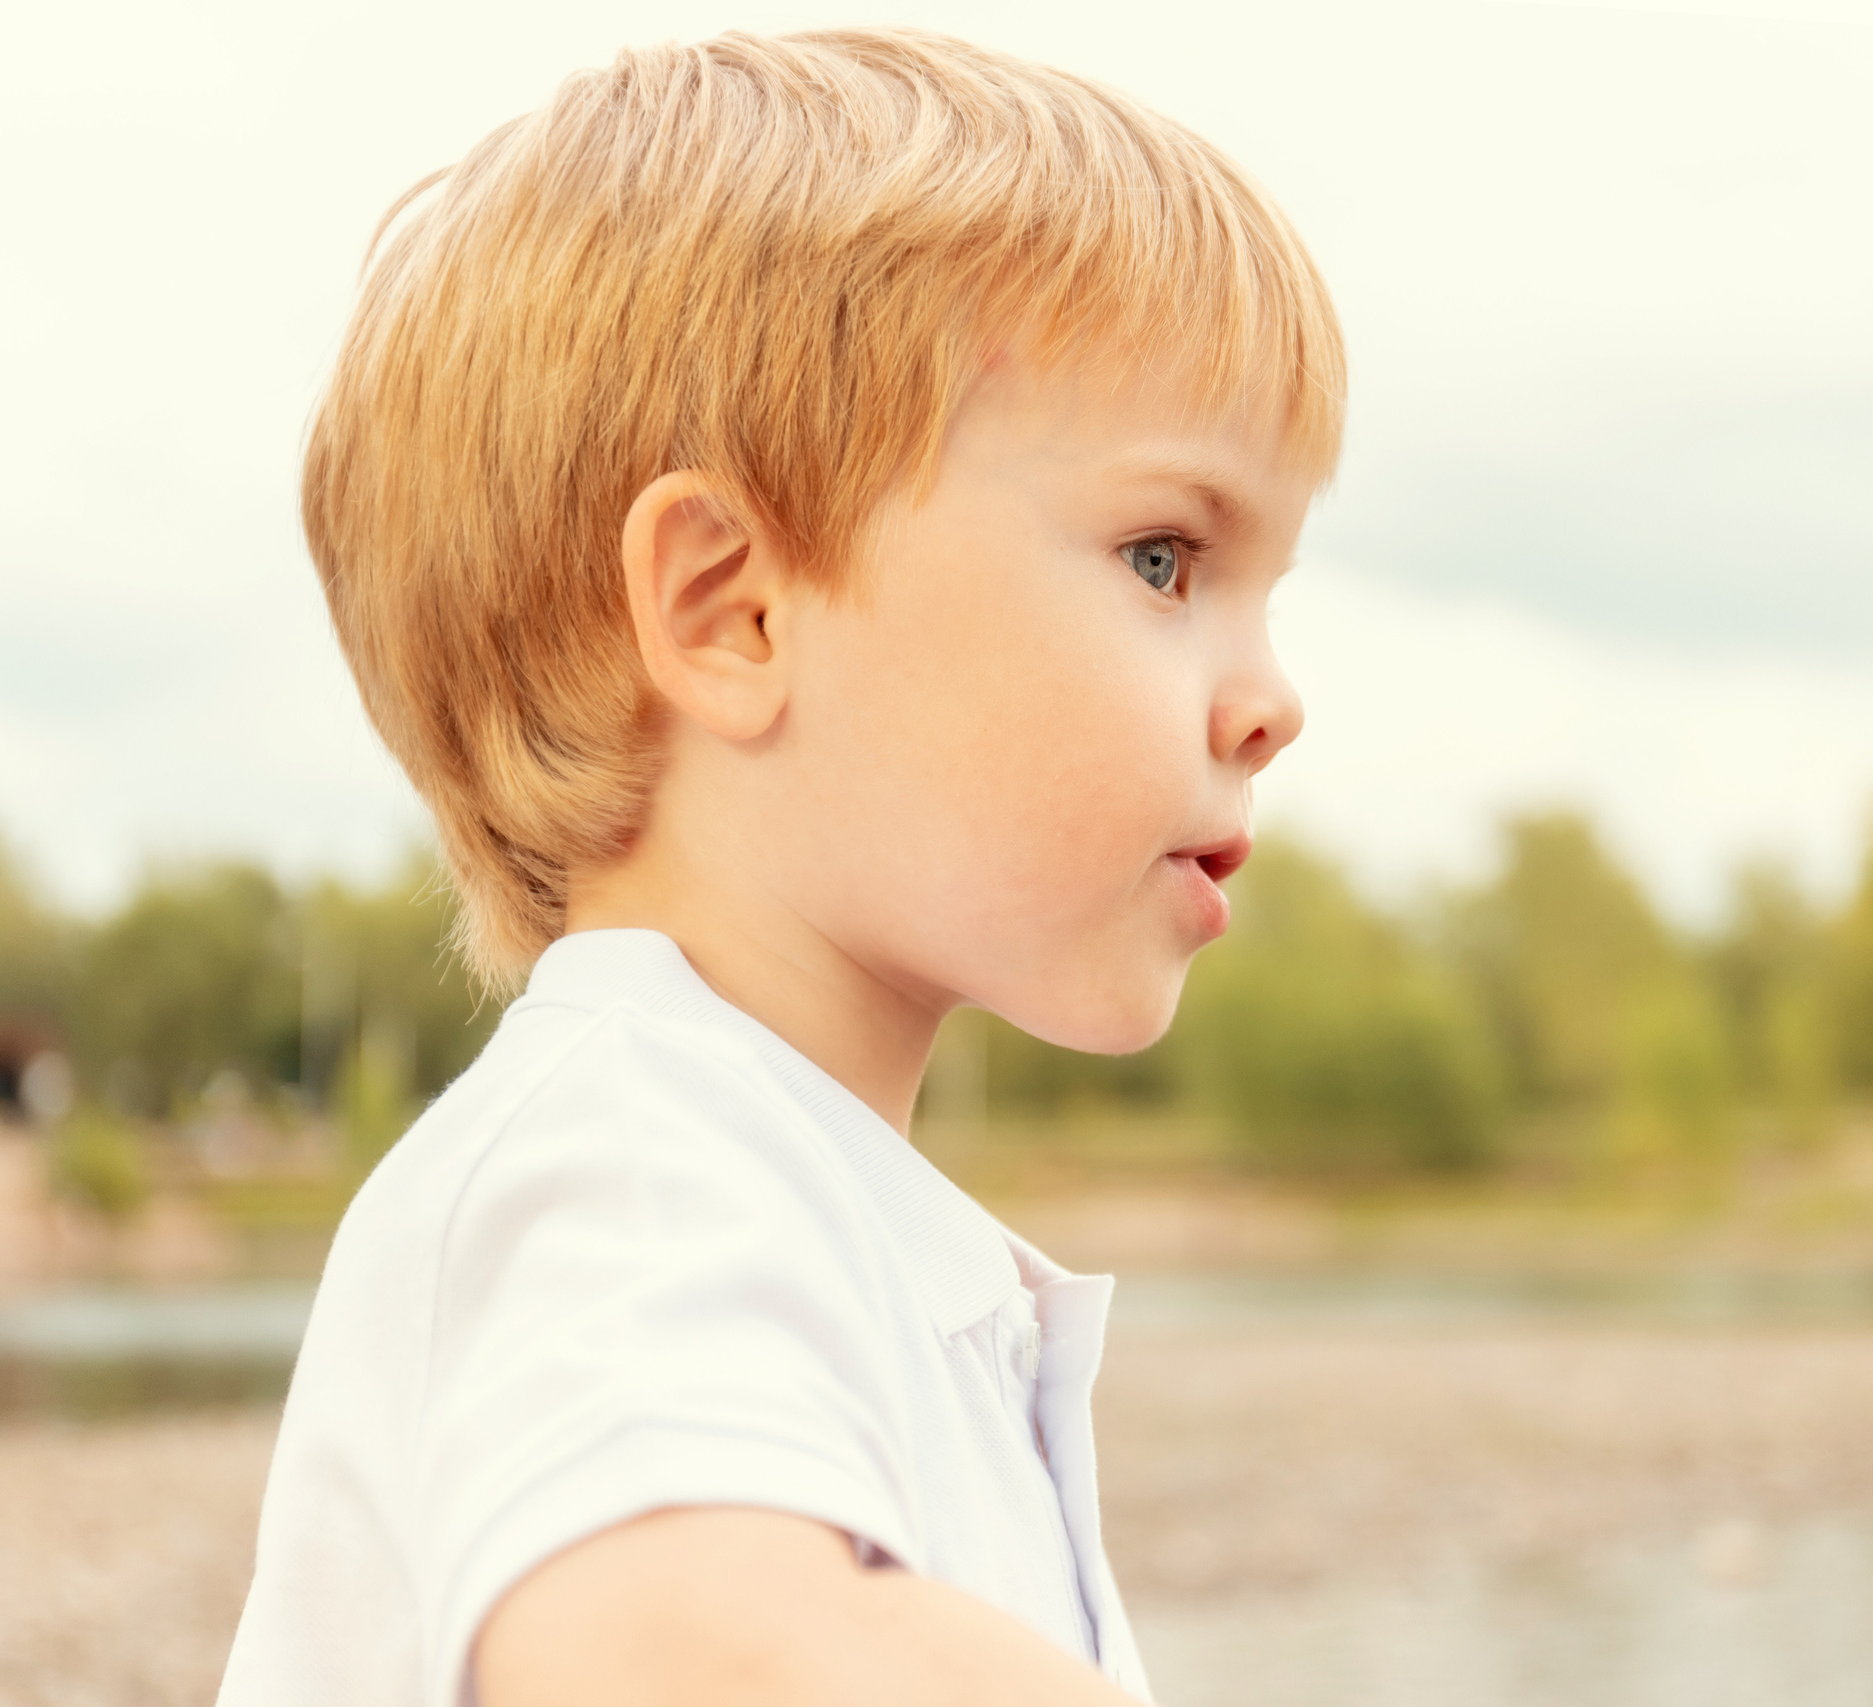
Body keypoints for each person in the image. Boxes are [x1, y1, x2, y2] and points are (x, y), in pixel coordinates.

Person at [218, 26, 1343, 1707]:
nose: (1273, 703)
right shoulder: (639, 1164)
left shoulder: (780, 1193)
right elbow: (668, 1640)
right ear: (731, 611)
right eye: (1166, 556)